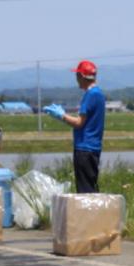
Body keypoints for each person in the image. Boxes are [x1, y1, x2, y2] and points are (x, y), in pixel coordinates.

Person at [44, 59, 105, 193]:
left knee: (85, 191)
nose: (76, 79)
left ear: (82, 76)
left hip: (84, 148)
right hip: (94, 148)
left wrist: (61, 115)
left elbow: (79, 123)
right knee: (91, 185)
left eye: (77, 75)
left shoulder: (90, 95)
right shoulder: (99, 94)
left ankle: (87, 214)